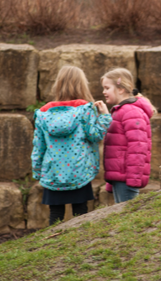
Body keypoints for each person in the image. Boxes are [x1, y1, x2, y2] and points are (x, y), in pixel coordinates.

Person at [31, 66, 111, 225]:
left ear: (58, 84)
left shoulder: (43, 113)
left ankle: (52, 245)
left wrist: (38, 170)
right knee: (80, 212)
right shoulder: (85, 109)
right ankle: (80, 244)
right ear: (82, 84)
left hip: (53, 171)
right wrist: (105, 117)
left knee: (55, 213)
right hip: (79, 170)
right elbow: (95, 135)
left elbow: (39, 146)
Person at [101, 68, 155, 203]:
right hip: (120, 177)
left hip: (127, 179)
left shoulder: (131, 112)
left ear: (120, 89)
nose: (104, 92)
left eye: (107, 88)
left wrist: (133, 180)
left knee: (126, 215)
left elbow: (138, 147)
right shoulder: (119, 111)